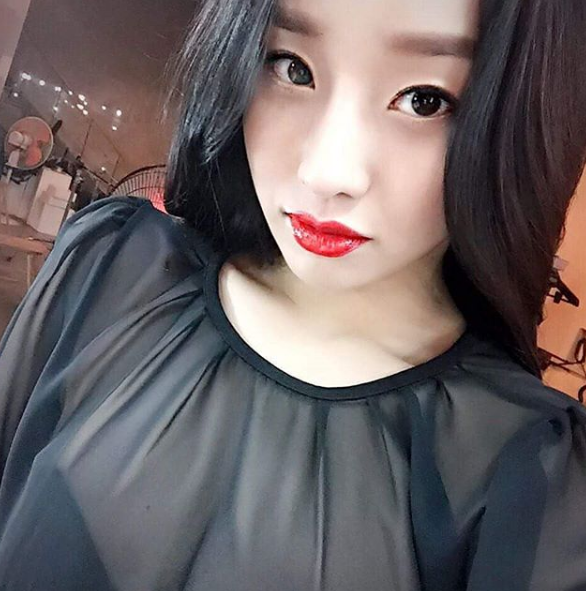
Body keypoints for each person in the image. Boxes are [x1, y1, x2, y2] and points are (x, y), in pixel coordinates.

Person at [0, 0, 585, 589]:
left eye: (425, 100)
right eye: (292, 68)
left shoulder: (528, 471)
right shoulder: (109, 272)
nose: (327, 173)